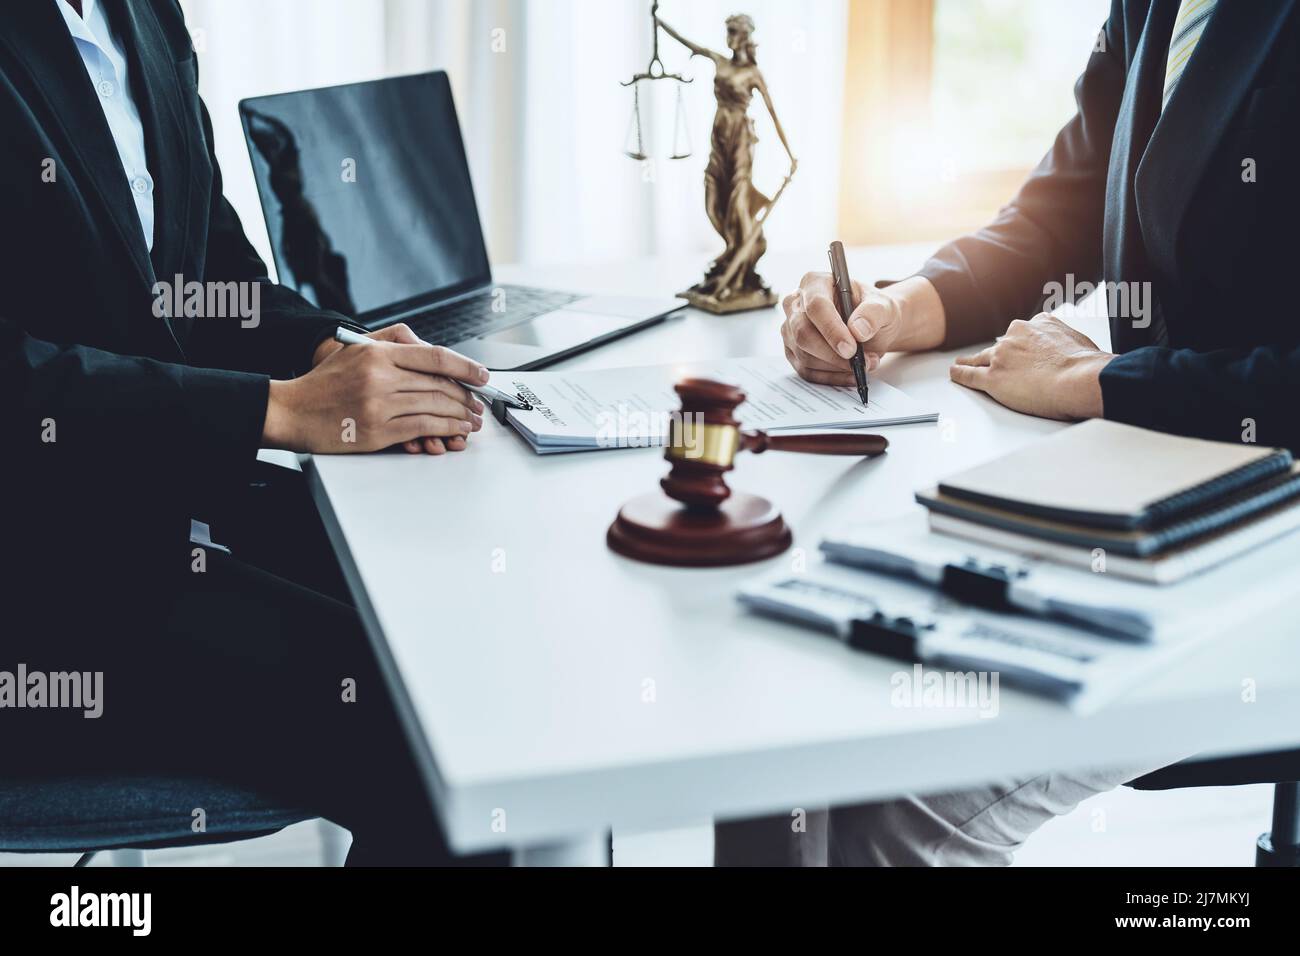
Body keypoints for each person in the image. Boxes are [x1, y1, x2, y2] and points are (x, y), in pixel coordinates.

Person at [718, 0, 1300, 865]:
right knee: (793, 724)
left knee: (904, 795)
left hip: (1259, 523)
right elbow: (1063, 210)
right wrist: (904, 306)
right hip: (1144, 483)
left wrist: (1098, 382)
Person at [2, 0, 500, 864]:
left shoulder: (143, 15)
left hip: (161, 509)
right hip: (39, 596)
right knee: (446, 735)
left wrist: (336, 348)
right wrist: (279, 409)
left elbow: (203, 276)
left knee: (476, 623)